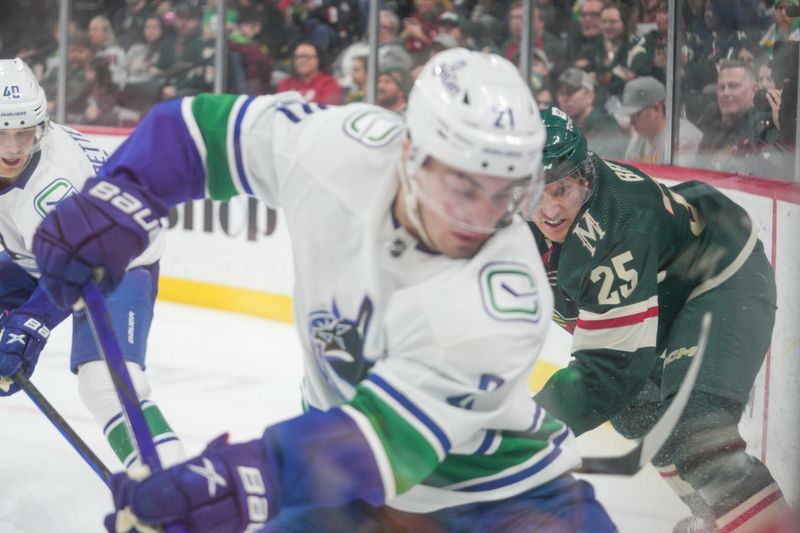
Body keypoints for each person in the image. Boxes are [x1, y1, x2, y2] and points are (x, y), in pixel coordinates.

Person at [32, 48, 616, 533]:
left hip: (502, 502)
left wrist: (233, 483)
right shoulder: (342, 148)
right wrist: (122, 195)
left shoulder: (503, 298)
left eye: (507, 194)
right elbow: (198, 130)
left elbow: (379, 444)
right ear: (411, 155)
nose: (484, 219)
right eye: (466, 190)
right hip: (346, 490)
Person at [527, 105, 792, 533]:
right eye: (534, 191)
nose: (548, 209)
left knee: (700, 429)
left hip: (721, 274)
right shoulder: (514, 214)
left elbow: (607, 371)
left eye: (561, 190)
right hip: (664, 287)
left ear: (586, 177)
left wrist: (528, 428)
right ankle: (715, 516)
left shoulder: (616, 228)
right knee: (638, 413)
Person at [0, 58, 185, 470]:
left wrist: (28, 325)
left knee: (105, 383)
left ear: (40, 128)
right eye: (2, 134)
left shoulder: (49, 188)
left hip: (117, 264)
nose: (14, 148)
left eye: (24, 133)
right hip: (46, 254)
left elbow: (77, 271)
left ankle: (171, 483)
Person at [616, 76, 702, 166]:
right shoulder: (639, 136)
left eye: (636, 115)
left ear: (656, 109)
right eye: (629, 116)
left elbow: (678, 178)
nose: (631, 123)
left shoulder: (683, 137)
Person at [555, 67, 627, 158]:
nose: (565, 98)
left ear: (590, 96)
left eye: (571, 91)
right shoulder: (563, 128)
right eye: (561, 93)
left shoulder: (606, 127)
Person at [277, 40, 342, 105]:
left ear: (318, 60)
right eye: (299, 57)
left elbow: (329, 110)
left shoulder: (329, 83)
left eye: (308, 57)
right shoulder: (285, 83)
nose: (303, 60)